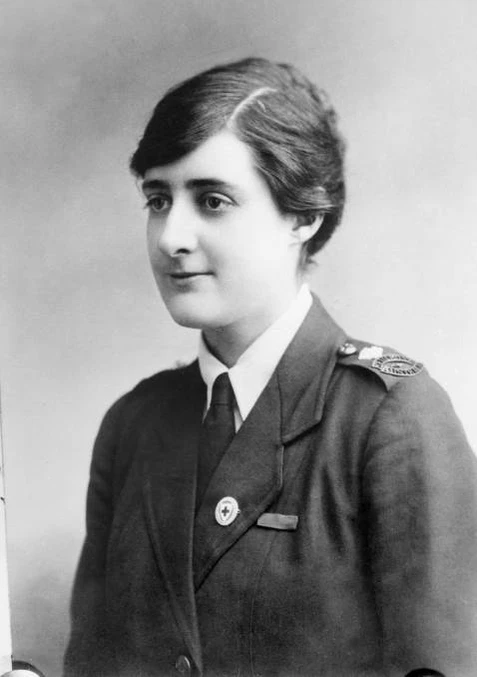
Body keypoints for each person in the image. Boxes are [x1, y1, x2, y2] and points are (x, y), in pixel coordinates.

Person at [63, 57, 477, 677]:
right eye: (157, 199)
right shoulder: (132, 426)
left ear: (303, 217)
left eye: (212, 201)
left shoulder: (388, 417)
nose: (171, 236)